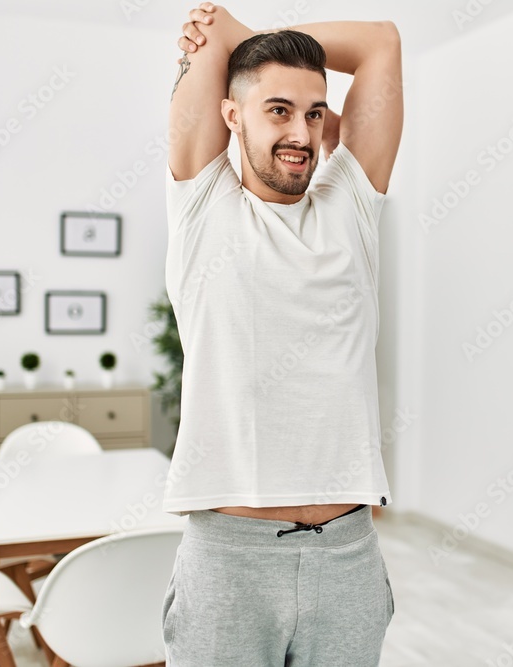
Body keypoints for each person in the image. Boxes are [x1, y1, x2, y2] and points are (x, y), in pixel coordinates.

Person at [160, 3, 403, 665]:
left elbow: (381, 41)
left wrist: (251, 42)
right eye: (278, 109)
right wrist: (237, 43)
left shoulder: (351, 205)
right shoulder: (202, 208)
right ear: (230, 115)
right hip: (230, 564)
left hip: (348, 558)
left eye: (315, 111)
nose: (301, 131)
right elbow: (208, 31)